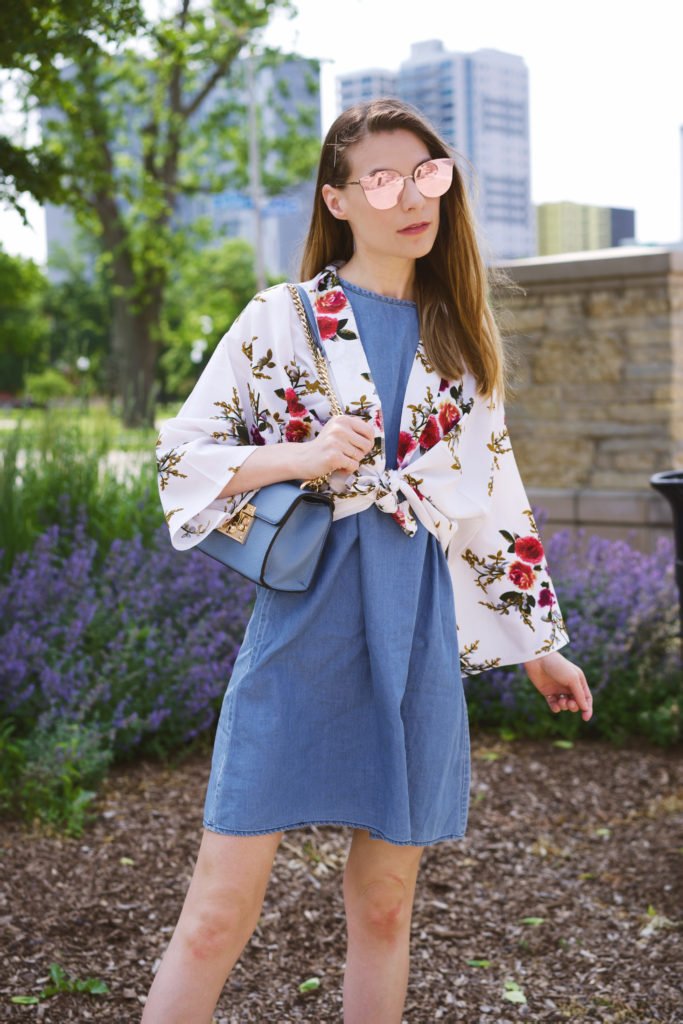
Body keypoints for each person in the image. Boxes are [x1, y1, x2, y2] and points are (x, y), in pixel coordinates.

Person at [145, 98, 593, 1024]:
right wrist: (300, 458)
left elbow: (492, 503)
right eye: (380, 179)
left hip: (416, 632)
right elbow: (180, 457)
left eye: (425, 172)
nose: (409, 196)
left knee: (386, 907)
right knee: (217, 912)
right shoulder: (285, 317)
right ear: (338, 201)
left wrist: (537, 644)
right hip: (302, 630)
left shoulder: (460, 340)